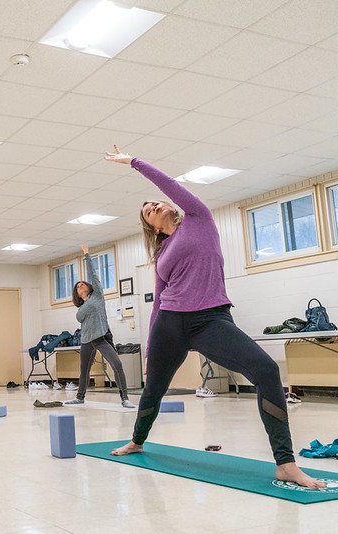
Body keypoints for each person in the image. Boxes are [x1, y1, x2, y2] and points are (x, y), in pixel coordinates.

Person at [104, 147, 324, 489]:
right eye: (149, 210)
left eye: (156, 203)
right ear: (153, 228)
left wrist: (133, 162)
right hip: (170, 323)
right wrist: (150, 349)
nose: (156, 205)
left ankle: (285, 463)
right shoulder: (162, 252)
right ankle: (136, 441)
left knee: (266, 370)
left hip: (211, 320)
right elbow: (160, 300)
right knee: (154, 388)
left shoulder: (198, 218)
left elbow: (168, 184)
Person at [66, 244, 135, 409]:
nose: (80, 285)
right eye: (78, 286)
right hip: (86, 341)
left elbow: (93, 274)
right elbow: (80, 318)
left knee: (117, 364)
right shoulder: (81, 308)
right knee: (84, 371)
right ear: (77, 294)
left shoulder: (97, 296)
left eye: (83, 284)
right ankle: (80, 397)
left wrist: (87, 255)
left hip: (101, 338)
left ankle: (125, 398)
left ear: (89, 287)